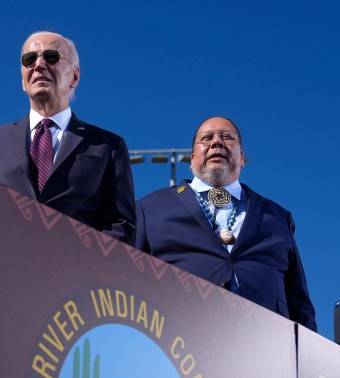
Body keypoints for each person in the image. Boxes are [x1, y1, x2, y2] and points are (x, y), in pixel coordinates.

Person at [135, 116, 317, 331]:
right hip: (179, 341)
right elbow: (129, 282)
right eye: (207, 138)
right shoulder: (150, 208)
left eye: (227, 137)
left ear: (241, 157)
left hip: (266, 345)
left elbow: (299, 301)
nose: (217, 142)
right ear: (192, 159)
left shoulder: (277, 216)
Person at [0, 31, 136, 245]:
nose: (38, 65)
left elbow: (120, 225)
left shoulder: (107, 146)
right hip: (3, 271)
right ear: (22, 79)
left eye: (51, 57)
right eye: (29, 60)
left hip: (75, 272)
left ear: (75, 76)